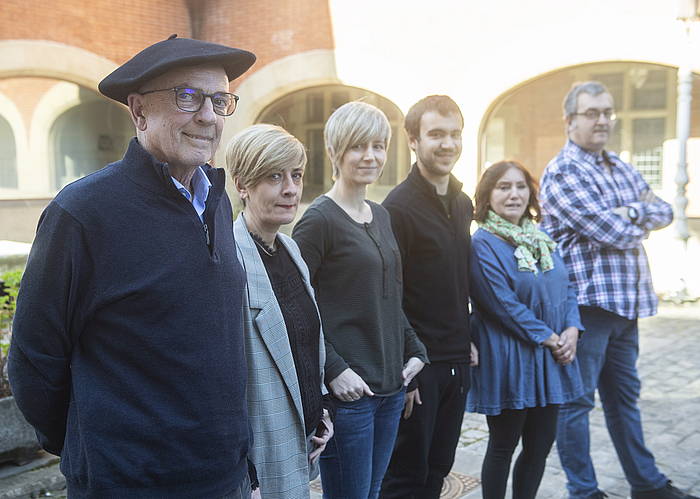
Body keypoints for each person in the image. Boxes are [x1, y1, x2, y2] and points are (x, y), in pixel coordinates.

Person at [8, 35, 257, 498]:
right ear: (139, 111)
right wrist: (91, 452)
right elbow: (33, 361)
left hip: (224, 479)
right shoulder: (82, 213)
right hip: (129, 485)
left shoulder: (217, 204)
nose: (207, 115)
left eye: (219, 100)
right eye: (188, 97)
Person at [540, 81, 697, 499]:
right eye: (592, 113)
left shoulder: (619, 165)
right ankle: (584, 492)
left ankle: (646, 485)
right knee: (576, 405)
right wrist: (632, 217)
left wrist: (629, 211)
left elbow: (664, 210)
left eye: (607, 112)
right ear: (570, 121)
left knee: (625, 401)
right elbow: (607, 230)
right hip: (585, 310)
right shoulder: (564, 171)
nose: (603, 120)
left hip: (626, 308)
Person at [292, 101, 428, 499]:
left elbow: (389, 299)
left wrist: (415, 351)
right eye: (357, 146)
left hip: (390, 390)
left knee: (372, 494)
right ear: (334, 151)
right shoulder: (319, 221)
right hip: (349, 398)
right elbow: (294, 305)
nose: (370, 156)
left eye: (378, 145)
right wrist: (333, 367)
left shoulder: (381, 216)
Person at [226, 124, 333, 499]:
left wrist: (321, 410)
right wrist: (246, 476)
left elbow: (305, 345)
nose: (291, 188)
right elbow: (223, 386)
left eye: (296, 175)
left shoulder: (290, 250)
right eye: (274, 177)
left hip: (298, 444)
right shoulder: (228, 262)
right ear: (242, 185)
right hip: (258, 457)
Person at [467, 160, 584, 499]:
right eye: (503, 187)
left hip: (550, 358)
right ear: (488, 196)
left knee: (540, 446)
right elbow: (500, 303)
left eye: (520, 186)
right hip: (510, 357)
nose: (514, 194)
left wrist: (573, 329)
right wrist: (551, 338)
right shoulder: (483, 243)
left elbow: (568, 288)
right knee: (504, 445)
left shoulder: (541, 238)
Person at [380, 95, 477, 499]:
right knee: (406, 478)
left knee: (438, 469)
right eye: (436, 134)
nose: (448, 144)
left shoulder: (461, 201)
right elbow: (389, 297)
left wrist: (467, 338)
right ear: (413, 140)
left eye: (455, 134)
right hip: (419, 367)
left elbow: (456, 282)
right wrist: (408, 368)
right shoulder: (397, 208)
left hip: (456, 359)